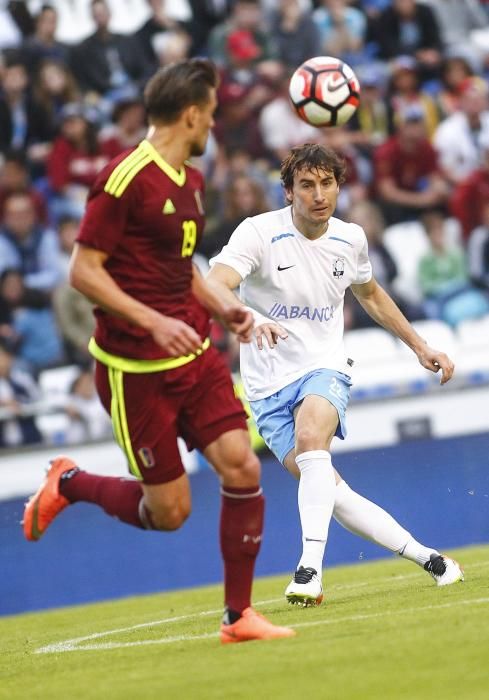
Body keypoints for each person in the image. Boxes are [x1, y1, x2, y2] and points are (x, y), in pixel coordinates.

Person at [22, 58, 294, 645]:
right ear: (191, 115)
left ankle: (239, 616)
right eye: (212, 116)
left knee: (243, 465)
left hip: (194, 353)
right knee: (169, 514)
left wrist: (226, 308)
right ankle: (68, 482)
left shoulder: (190, 181)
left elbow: (180, 268)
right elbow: (83, 271)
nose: (213, 128)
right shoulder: (124, 178)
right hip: (136, 370)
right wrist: (152, 321)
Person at [206, 143, 464, 608]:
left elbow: (370, 294)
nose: (318, 194)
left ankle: (309, 570)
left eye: (327, 183)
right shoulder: (258, 234)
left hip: (323, 367)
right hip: (265, 387)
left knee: (312, 442)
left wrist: (421, 346)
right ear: (288, 192)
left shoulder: (350, 239)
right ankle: (432, 560)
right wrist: (247, 316)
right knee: (330, 491)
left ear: (339, 187)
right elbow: (214, 285)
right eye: (307, 184)